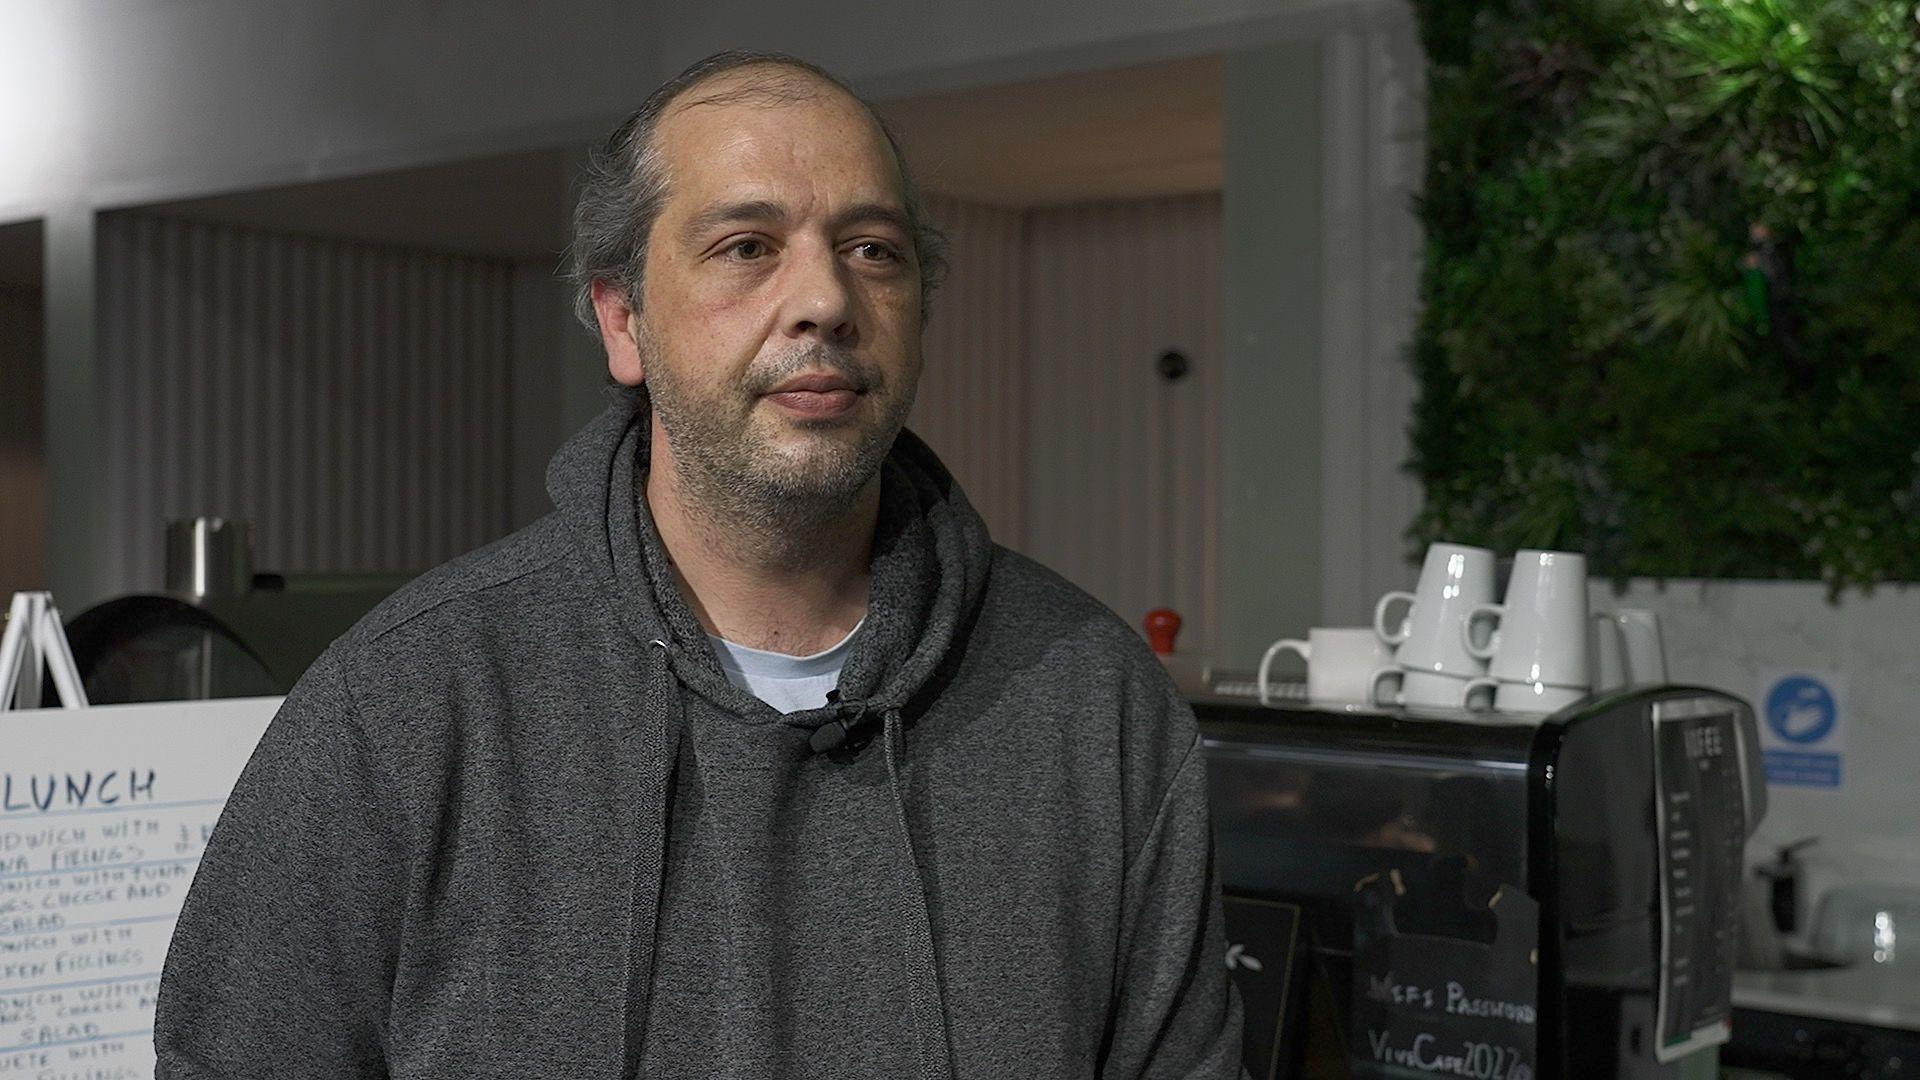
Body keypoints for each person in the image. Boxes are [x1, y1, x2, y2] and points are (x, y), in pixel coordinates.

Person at [154, 50, 1247, 1079]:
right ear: (623, 321)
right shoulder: (403, 708)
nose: (825, 300)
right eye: (746, 247)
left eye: (874, 249)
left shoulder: (1095, 705)